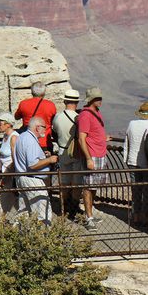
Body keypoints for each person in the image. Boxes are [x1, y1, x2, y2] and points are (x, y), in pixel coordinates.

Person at [13, 116, 57, 224]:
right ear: (37, 128)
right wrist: (50, 160)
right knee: (43, 212)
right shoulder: (30, 140)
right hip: (32, 181)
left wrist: (44, 157)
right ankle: (44, 238)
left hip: (22, 178)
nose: (45, 130)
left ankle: (18, 236)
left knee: (24, 213)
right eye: (44, 127)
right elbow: (32, 165)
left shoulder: (22, 136)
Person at [77, 87, 108, 231]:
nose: (100, 100)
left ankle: (90, 213)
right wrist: (88, 158)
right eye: (97, 98)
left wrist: (103, 138)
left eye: (100, 97)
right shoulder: (85, 115)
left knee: (94, 185)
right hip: (92, 155)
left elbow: (93, 132)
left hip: (100, 153)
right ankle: (88, 218)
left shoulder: (97, 113)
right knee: (88, 186)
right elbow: (81, 138)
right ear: (91, 100)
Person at [124, 101, 148, 226]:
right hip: (146, 163)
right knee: (147, 191)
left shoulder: (132, 124)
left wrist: (126, 158)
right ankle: (146, 217)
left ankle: (136, 216)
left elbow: (127, 141)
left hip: (132, 161)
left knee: (136, 191)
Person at [52, 89, 80, 217]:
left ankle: (63, 207)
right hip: (75, 152)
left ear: (64, 101)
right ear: (77, 102)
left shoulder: (58, 116)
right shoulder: (78, 117)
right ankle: (74, 208)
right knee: (76, 181)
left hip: (62, 150)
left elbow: (55, 133)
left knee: (64, 181)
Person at [0, 112, 19, 217]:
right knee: (9, 199)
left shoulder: (14, 137)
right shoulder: (6, 136)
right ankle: (2, 223)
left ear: (8, 124)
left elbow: (16, 159)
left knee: (7, 198)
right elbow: (0, 157)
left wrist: (8, 175)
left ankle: (1, 223)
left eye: (0, 123)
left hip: (11, 174)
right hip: (6, 174)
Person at [15, 82, 57, 151]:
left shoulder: (23, 103)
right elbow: (54, 122)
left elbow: (16, 117)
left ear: (32, 92)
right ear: (44, 93)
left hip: (27, 142)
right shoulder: (51, 105)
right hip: (45, 142)